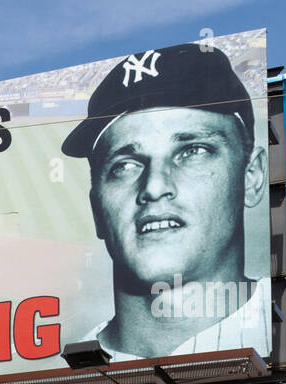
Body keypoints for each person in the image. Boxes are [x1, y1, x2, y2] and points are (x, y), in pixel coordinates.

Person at [62, 42, 270, 360]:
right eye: (125, 165)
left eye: (193, 151)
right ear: (97, 210)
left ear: (251, 176)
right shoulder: (63, 380)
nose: (155, 186)